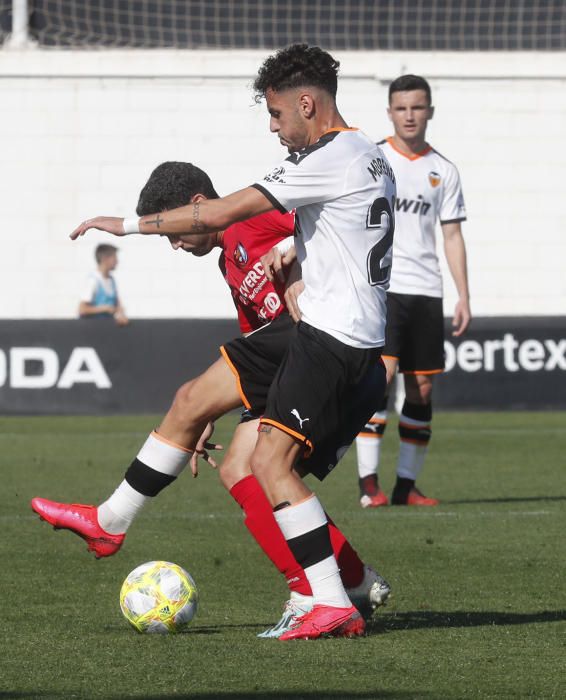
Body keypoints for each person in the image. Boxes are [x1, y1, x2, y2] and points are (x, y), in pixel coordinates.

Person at [33, 44, 395, 640]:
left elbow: (224, 213)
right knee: (192, 403)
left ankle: (330, 594)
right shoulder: (355, 156)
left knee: (263, 465)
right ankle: (110, 520)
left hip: (336, 339)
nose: (275, 129)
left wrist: (124, 225)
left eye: (277, 115)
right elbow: (326, 235)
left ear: (307, 103)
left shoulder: (332, 158)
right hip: (311, 334)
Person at [355, 74, 471, 509]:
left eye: (417, 107)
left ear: (429, 112)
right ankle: (369, 484)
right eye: (401, 108)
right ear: (390, 112)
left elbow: (453, 235)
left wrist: (464, 295)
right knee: (380, 380)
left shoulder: (445, 170)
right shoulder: (374, 158)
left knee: (421, 388)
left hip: (427, 291)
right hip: (383, 289)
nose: (409, 115)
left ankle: (406, 485)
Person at [79, 244, 129, 325]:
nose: (117, 261)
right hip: (93, 328)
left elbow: (118, 306)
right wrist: (104, 309)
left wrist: (121, 315)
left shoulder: (111, 280)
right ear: (105, 259)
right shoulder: (93, 280)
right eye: (114, 258)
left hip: (107, 329)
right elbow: (82, 310)